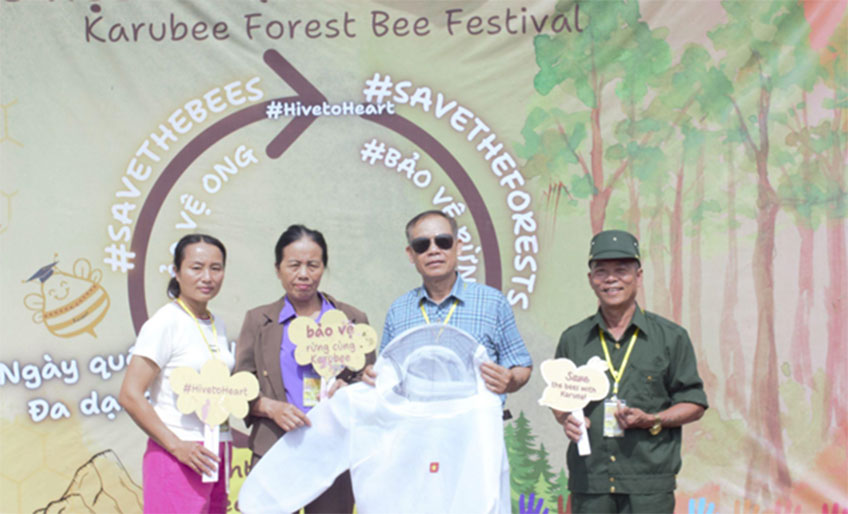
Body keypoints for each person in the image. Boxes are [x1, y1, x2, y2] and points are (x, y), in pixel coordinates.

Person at [552, 230, 709, 514]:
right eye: (601, 271)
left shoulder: (671, 337)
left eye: (621, 270)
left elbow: (694, 403)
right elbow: (559, 399)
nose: (611, 279)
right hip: (591, 482)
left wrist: (653, 419)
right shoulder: (573, 339)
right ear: (590, 279)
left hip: (649, 483)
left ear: (638, 276)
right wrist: (567, 419)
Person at [233, 224, 370, 514]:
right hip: (275, 450)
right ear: (278, 269)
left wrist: (350, 391)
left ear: (324, 268)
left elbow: (368, 385)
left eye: (313, 265)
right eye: (294, 265)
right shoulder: (258, 320)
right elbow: (239, 387)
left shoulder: (352, 320)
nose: (304, 274)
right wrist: (270, 408)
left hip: (334, 453)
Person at [119, 233, 233, 513]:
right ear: (176, 272)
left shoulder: (217, 324)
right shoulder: (165, 323)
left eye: (216, 268)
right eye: (196, 268)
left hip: (216, 449)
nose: (207, 277)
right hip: (178, 455)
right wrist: (177, 446)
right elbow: (130, 395)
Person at [364, 210, 532, 400]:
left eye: (443, 242)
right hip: (414, 418)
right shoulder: (398, 311)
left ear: (458, 247)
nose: (433, 250)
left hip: (476, 418)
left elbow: (521, 365)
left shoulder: (493, 302)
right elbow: (386, 373)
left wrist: (510, 380)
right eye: (422, 245)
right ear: (411, 254)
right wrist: (372, 377)